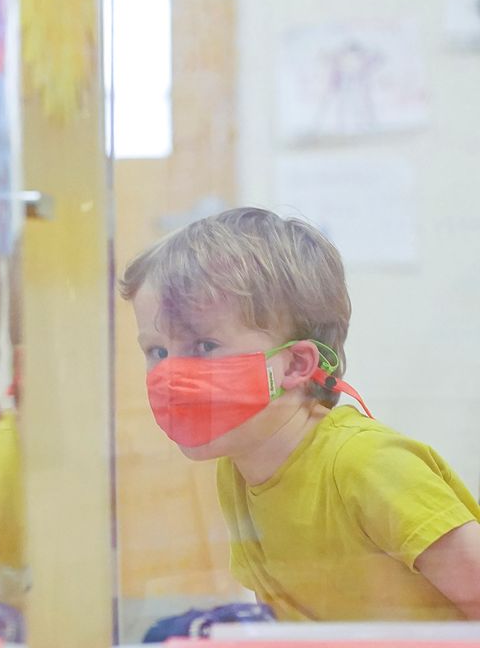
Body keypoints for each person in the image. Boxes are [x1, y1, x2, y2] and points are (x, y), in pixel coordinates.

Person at [120, 206, 480, 621]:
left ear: (294, 366)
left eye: (204, 346)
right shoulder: (238, 471)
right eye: (157, 352)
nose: (170, 374)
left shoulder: (366, 465)